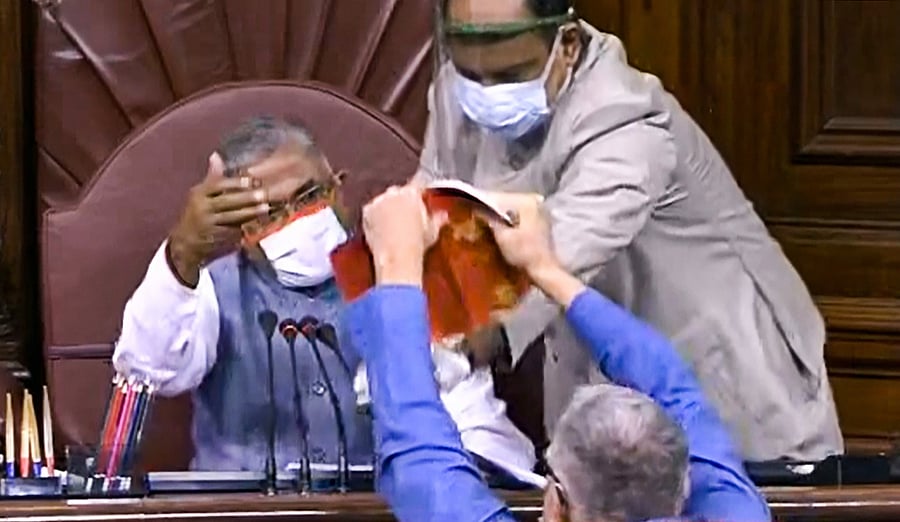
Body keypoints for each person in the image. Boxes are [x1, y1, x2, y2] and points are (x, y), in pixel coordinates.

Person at [414, 0, 841, 461]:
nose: (486, 92)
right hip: (608, 419)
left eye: (509, 74)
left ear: (568, 45)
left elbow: (553, 256)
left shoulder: (624, 116)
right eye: (471, 74)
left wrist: (449, 344)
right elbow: (427, 213)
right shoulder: (456, 98)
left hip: (732, 402)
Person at [113, 116, 537, 481]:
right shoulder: (210, 290)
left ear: (339, 190)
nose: (297, 220)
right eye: (271, 214)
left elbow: (481, 430)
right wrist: (183, 252)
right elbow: (147, 372)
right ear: (242, 232)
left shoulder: (406, 280)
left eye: (310, 197)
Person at [344, 184, 771, 522]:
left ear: (557, 504)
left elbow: (417, 451)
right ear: (684, 488)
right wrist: (545, 269)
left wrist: (397, 262)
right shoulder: (735, 513)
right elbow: (675, 389)